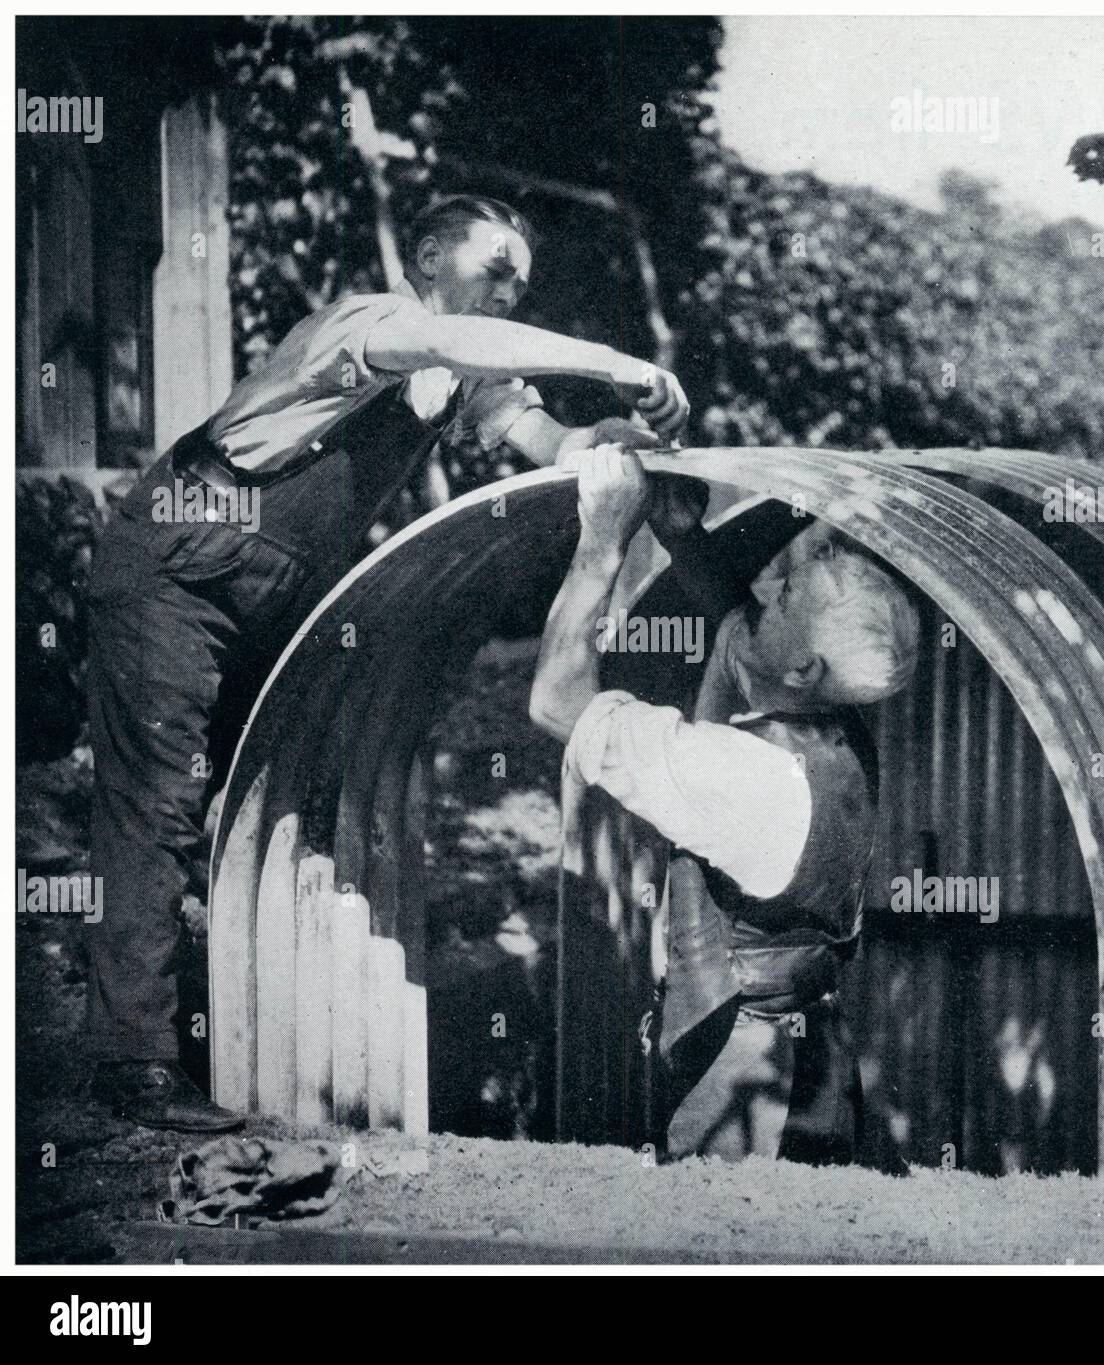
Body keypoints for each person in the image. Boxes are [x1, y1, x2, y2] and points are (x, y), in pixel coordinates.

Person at [86, 195, 688, 1132]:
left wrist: (614, 441)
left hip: (268, 591)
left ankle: (211, 1025)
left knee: (246, 800)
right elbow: (458, 346)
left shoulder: (456, 382)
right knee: (157, 803)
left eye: (521, 283)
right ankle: (131, 1061)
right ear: (427, 257)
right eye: (494, 271)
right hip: (177, 560)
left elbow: (549, 440)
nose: (507, 293)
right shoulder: (370, 321)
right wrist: (613, 363)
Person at [530, 447, 919, 1162]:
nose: (764, 588)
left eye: (785, 597)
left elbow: (556, 701)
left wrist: (602, 540)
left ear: (804, 669)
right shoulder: (841, 740)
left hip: (738, 1074)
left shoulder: (743, 775)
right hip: (812, 1058)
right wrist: (682, 534)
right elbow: (744, 629)